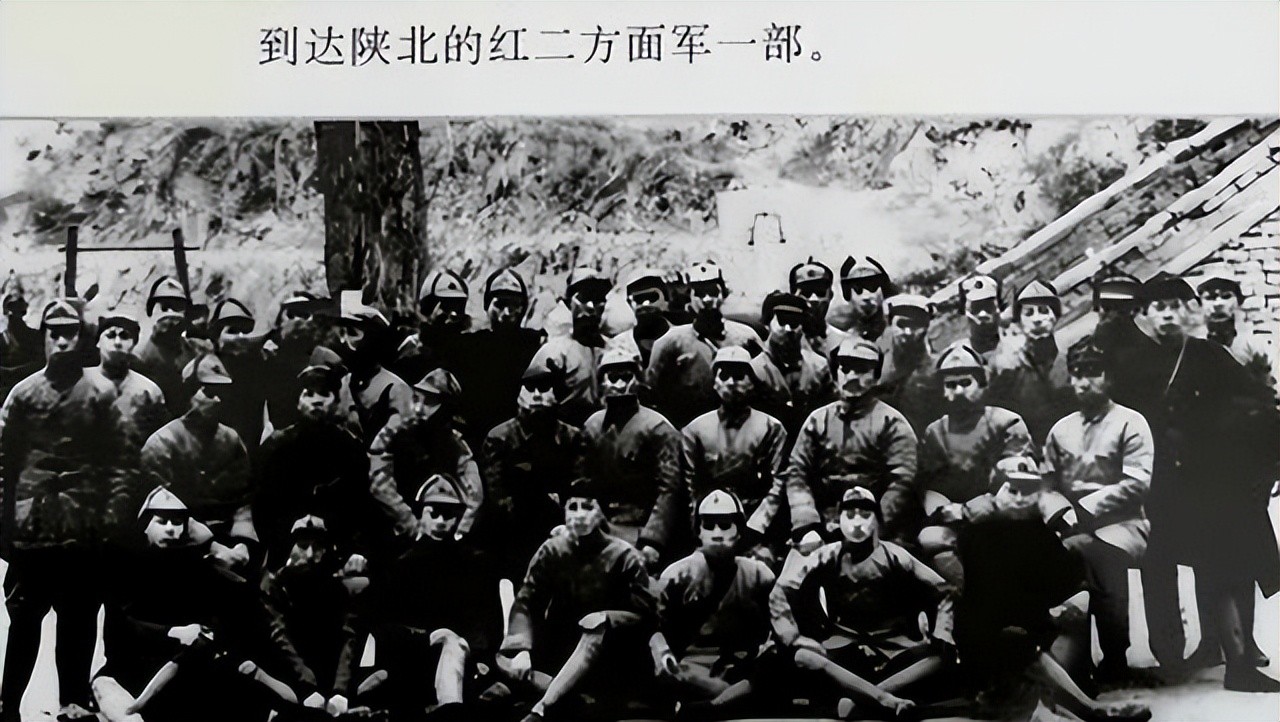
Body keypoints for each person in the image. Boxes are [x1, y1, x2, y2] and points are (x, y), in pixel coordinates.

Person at [1133, 272, 1279, 691]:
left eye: (1175, 306)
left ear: (1188, 312)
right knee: (1171, 565)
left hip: (1217, 479)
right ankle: (1186, 653)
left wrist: (1270, 464)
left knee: (1229, 562)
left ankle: (1240, 660)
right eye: (1159, 307)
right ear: (1144, 314)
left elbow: (1259, 406)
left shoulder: (1209, 354)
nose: (1167, 315)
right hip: (1162, 483)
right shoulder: (1136, 364)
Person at [0, 299, 130, 722]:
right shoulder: (22, 395)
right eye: (53, 333)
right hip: (33, 528)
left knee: (79, 618)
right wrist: (5, 528)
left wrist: (113, 515)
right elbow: (3, 464)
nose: (61, 341)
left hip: (84, 527)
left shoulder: (101, 394)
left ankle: (72, 701)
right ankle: (7, 704)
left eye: (69, 333)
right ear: (43, 338)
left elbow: (119, 463)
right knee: (25, 619)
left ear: (82, 338)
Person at [953, 458, 1152, 722]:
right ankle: (1088, 709)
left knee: (1043, 636)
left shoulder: (1036, 530)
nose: (1020, 499)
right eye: (1012, 489)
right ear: (995, 493)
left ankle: (1082, 705)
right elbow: (984, 599)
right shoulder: (976, 532)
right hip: (985, 639)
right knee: (1018, 645)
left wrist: (1064, 602)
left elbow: (1064, 579)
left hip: (1028, 635)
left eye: (1027, 491)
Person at [92, 487, 291, 722]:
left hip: (189, 668)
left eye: (177, 522)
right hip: (133, 671)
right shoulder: (126, 568)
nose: (170, 528)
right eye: (162, 521)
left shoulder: (198, 572)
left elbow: (219, 616)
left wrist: (205, 636)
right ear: (145, 526)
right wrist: (173, 632)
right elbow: (123, 625)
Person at [770, 487, 953, 720]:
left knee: (943, 658)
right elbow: (781, 590)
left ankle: (863, 698)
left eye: (865, 514)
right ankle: (882, 699)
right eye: (850, 514)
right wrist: (792, 636)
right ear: (840, 519)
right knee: (804, 657)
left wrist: (943, 631)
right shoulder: (827, 555)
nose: (857, 522)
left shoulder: (896, 555)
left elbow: (943, 589)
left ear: (876, 519)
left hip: (893, 649)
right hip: (844, 649)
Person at [497, 478, 658, 722]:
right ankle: (563, 694)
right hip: (563, 647)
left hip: (611, 650)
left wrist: (608, 618)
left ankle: (542, 708)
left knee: (594, 630)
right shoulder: (552, 549)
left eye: (588, 507)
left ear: (601, 513)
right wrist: (521, 649)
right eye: (573, 507)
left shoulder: (624, 555)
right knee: (504, 670)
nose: (580, 515)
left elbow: (646, 613)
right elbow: (527, 600)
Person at [1043, 338, 1154, 684]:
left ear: (1109, 377)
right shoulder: (1061, 429)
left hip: (1122, 523)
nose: (1083, 382)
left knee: (1100, 556)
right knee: (1058, 557)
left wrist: (1084, 509)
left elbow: (1136, 483)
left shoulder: (1131, 422)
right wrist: (1061, 514)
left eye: (1093, 372)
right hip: (1071, 524)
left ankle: (1115, 657)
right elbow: (1045, 486)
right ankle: (1071, 662)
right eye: (1077, 373)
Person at [367, 475, 503, 721]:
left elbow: (484, 620)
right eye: (434, 513)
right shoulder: (401, 565)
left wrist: (480, 656)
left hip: (464, 659)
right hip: (413, 659)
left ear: (458, 518)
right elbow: (384, 624)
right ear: (421, 514)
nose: (441, 522)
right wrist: (429, 637)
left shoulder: (473, 564)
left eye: (448, 515)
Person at [916, 343, 1033, 588]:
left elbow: (1016, 487)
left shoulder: (1007, 423)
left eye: (965, 383)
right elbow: (932, 486)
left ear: (981, 384)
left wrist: (969, 511)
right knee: (930, 538)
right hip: (957, 525)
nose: (958, 391)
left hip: (1002, 518)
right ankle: (970, 594)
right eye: (951, 384)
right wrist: (943, 512)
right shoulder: (935, 432)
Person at [649, 490, 776, 714]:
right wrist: (663, 654)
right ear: (698, 531)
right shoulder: (677, 574)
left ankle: (714, 704)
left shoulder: (759, 574)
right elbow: (654, 626)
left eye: (725, 526)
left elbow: (775, 627)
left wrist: (763, 654)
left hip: (740, 667)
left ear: (739, 531)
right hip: (692, 667)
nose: (717, 534)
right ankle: (727, 700)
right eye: (709, 526)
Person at [784, 338, 919, 550]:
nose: (852, 376)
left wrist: (873, 524)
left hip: (875, 524)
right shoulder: (818, 420)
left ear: (875, 377)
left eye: (862, 370)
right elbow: (797, 472)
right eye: (845, 369)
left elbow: (903, 481)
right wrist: (806, 522)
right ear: (836, 374)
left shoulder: (892, 423)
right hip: (823, 523)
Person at [253, 349, 376, 568]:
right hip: (285, 547)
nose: (316, 401)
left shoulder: (351, 450)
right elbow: (263, 508)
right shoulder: (277, 446)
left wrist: (346, 542)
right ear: (299, 402)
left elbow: (359, 508)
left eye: (324, 394)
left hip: (335, 548)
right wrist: (290, 530)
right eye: (309, 394)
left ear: (336, 402)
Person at [139, 353, 258, 575]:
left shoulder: (231, 440)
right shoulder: (162, 443)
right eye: (209, 392)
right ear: (189, 393)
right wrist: (213, 547)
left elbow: (243, 501)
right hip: (179, 543)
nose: (218, 400)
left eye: (222, 393)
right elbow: (162, 511)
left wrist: (243, 543)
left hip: (228, 542)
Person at [581, 348, 688, 570]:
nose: (620, 385)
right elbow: (583, 482)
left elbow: (668, 489)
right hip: (599, 523)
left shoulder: (658, 428)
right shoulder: (592, 426)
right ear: (602, 382)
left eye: (626, 377)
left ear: (637, 380)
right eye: (613, 378)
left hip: (639, 526)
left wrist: (653, 540)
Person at [481, 358, 588, 579]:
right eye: (530, 389)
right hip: (515, 531)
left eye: (544, 388)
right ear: (519, 394)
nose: (537, 395)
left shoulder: (572, 437)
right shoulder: (499, 438)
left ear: (556, 393)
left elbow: (579, 487)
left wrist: (567, 523)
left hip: (562, 528)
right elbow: (497, 495)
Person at [681, 347, 789, 564]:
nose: (731, 383)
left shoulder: (771, 428)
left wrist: (756, 527)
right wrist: (701, 527)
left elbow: (779, 483)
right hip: (710, 522)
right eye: (724, 376)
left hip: (755, 526)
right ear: (715, 383)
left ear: (752, 382)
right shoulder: (695, 430)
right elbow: (690, 485)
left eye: (739, 376)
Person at [259, 514, 368, 720]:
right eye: (302, 546)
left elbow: (349, 635)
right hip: (289, 674)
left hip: (329, 675)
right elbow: (279, 637)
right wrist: (307, 687)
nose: (310, 554)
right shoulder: (273, 587)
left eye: (317, 547)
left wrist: (340, 690)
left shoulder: (336, 586)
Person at [368, 368, 485, 546]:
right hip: (395, 530)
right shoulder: (394, 433)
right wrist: (412, 526)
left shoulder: (455, 443)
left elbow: (475, 494)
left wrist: (460, 531)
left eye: (429, 402)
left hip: (441, 528)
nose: (418, 408)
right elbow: (379, 483)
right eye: (416, 398)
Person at [646, 260, 764, 429]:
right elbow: (654, 391)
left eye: (713, 292)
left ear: (723, 294)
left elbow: (763, 382)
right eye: (700, 294)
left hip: (740, 426)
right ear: (690, 297)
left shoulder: (746, 336)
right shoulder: (669, 342)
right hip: (688, 427)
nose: (707, 299)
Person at [449, 267, 547, 451]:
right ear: (487, 306)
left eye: (514, 305)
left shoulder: (534, 345)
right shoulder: (471, 345)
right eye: (500, 304)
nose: (507, 313)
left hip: (520, 440)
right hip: (476, 436)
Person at [987, 279, 1075, 445]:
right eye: (1028, 313)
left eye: (1043, 311)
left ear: (1055, 316)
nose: (1037, 319)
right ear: (1019, 320)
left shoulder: (1071, 359)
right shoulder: (1008, 369)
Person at [530, 266, 613, 426]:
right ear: (569, 303)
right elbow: (531, 399)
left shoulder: (615, 350)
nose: (591, 306)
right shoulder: (554, 352)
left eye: (598, 299)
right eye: (584, 298)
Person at [750, 291, 836, 442]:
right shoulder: (754, 370)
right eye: (782, 322)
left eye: (795, 323)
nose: (789, 329)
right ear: (768, 323)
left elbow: (831, 411)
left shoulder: (819, 367)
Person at [330, 291, 414, 446]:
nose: (345, 342)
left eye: (352, 333)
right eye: (341, 333)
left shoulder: (397, 389)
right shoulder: (344, 384)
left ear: (373, 338)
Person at [93, 308, 170, 453]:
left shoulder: (149, 391)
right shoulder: (81, 382)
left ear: (134, 344)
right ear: (98, 342)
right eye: (110, 335)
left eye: (124, 336)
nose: (117, 343)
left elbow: (157, 440)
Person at [134, 277, 212, 417]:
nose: (170, 313)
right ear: (151, 310)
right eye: (164, 307)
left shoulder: (194, 351)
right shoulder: (139, 355)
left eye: (177, 307)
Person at [1195, 264, 1276, 391]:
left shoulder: (1256, 344)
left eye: (1226, 296)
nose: (1218, 304)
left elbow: (1273, 386)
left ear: (1239, 301)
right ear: (1200, 304)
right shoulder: (1193, 346)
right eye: (1210, 298)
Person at [208, 298, 271, 453]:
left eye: (245, 331)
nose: (241, 336)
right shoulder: (207, 370)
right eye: (233, 331)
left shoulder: (258, 366)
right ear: (217, 338)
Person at [261, 291, 329, 433]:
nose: (298, 320)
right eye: (292, 314)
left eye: (304, 315)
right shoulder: (262, 354)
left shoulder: (322, 356)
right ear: (280, 320)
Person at [392, 269, 473, 385]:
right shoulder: (413, 346)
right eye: (445, 308)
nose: (451, 316)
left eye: (456, 309)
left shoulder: (460, 350)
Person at [877, 293, 943, 434]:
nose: (908, 332)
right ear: (890, 324)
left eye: (915, 325)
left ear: (926, 328)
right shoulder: (874, 363)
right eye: (901, 324)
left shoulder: (938, 370)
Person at [609, 268, 673, 367]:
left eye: (651, 297)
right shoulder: (619, 345)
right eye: (639, 299)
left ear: (666, 298)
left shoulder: (683, 338)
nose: (645, 304)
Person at [789, 257, 850, 357]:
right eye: (806, 292)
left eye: (820, 292)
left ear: (830, 295)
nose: (813, 299)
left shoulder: (844, 343)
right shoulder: (782, 342)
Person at [0, 287, 43, 402]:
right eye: (11, 307)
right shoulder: (2, 339)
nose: (13, 314)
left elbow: (42, 365)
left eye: (17, 307)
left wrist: (12, 373)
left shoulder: (35, 337)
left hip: (30, 392)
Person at [837, 256, 894, 343]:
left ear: (884, 290)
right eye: (857, 288)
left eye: (873, 286)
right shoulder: (840, 337)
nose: (866, 295)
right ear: (847, 293)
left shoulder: (897, 334)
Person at [956, 275, 1003, 362]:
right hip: (982, 307)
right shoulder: (979, 347)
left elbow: (996, 325)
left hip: (983, 306)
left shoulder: (990, 346)